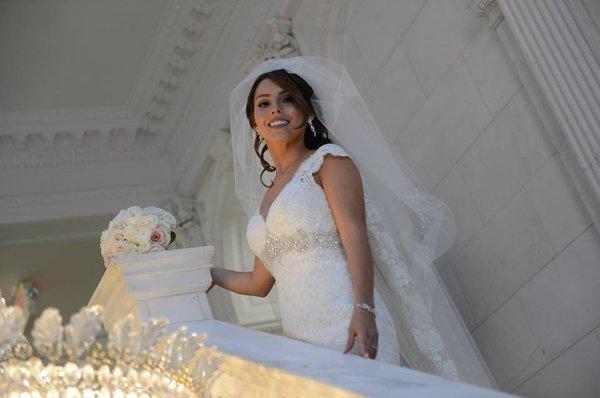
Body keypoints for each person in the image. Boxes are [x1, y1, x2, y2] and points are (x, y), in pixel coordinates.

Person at [209, 57, 497, 388]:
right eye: (264, 104)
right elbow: (260, 283)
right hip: (301, 337)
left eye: (287, 99)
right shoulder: (266, 199)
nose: (276, 109)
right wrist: (211, 274)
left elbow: (355, 235)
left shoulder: (329, 162)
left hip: (346, 316)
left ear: (306, 111)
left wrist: (364, 308)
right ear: (254, 123)